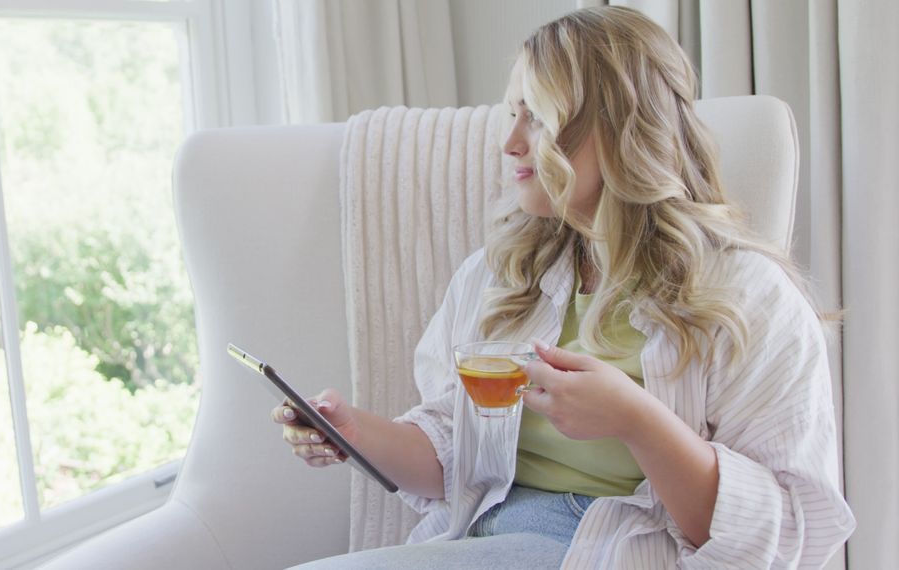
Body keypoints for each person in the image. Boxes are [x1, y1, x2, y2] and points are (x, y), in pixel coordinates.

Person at [271, 6, 855, 568]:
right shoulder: (498, 277)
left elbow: (789, 537)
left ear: (621, 127)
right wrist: (354, 433)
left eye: (540, 117)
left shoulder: (746, 297)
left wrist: (637, 420)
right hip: (485, 535)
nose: (511, 143)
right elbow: (453, 454)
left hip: (616, 547)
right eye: (512, 114)